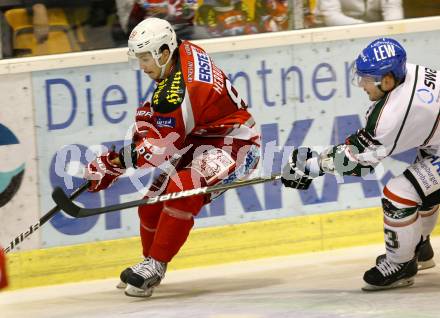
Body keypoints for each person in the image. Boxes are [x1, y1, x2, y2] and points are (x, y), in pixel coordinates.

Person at [83, 17, 260, 298]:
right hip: (202, 138)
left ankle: (156, 265)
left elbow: (157, 151)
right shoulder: (185, 50)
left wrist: (111, 165)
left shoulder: (179, 93)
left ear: (164, 52)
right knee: (152, 203)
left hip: (237, 145)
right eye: (138, 58)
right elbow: (161, 121)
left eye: (145, 58)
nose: (142, 67)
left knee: (182, 190)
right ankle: (148, 262)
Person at [281, 37, 440, 291]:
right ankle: (418, 247)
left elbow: (359, 161)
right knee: (425, 187)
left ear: (387, 80)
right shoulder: (407, 72)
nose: (362, 85)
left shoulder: (394, 113)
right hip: (436, 144)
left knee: (399, 194)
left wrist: (310, 165)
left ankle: (401, 264)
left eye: (368, 79)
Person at [318, 0, 403, 26]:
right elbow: (331, 16)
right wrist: (368, 28)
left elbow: (392, 9)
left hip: (380, 34)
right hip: (340, 34)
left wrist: (391, 31)